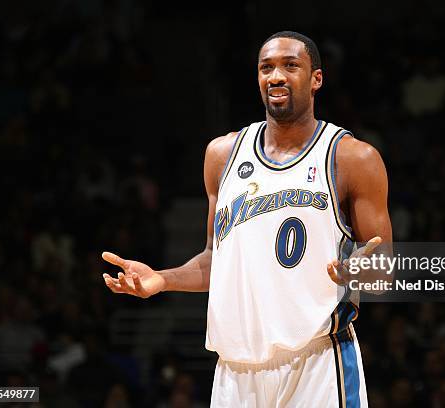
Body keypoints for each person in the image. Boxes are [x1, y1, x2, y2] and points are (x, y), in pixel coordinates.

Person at [102, 31, 392, 407]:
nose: (276, 76)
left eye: (291, 66)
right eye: (266, 67)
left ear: (316, 79)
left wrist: (360, 271)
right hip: (234, 371)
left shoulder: (353, 158)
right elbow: (214, 259)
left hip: (317, 362)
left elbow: (385, 271)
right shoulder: (221, 155)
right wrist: (162, 280)